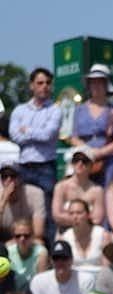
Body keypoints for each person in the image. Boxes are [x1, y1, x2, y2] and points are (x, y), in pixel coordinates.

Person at [9, 67, 61, 244]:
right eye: (40, 83)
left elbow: (49, 135)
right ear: (31, 86)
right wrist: (37, 132)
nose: (44, 86)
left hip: (46, 166)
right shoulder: (20, 110)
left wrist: (27, 131)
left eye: (47, 83)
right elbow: (14, 135)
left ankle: (50, 252)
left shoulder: (56, 110)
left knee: (47, 212)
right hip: (24, 167)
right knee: (23, 211)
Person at [68, 64, 113, 186]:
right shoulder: (79, 110)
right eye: (93, 82)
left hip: (108, 162)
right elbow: (73, 137)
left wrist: (100, 152)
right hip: (83, 161)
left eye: (100, 82)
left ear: (106, 85)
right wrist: (87, 151)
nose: (96, 86)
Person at [51, 147, 105, 229]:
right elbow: (57, 215)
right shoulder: (61, 187)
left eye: (84, 161)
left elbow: (98, 218)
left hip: (90, 231)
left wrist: (73, 219)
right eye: (76, 160)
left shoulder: (97, 190)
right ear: (72, 164)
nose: (80, 164)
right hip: (65, 230)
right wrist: (82, 219)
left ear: (91, 166)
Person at [59, 199, 108, 278]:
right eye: (71, 213)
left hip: (99, 281)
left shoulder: (103, 235)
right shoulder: (64, 239)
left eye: (79, 213)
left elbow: (107, 268)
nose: (75, 217)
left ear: (88, 215)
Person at [0, 160, 45, 242]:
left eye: (13, 176)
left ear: (20, 178)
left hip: (27, 238)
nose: (9, 180)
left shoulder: (35, 193)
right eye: (4, 176)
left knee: (39, 242)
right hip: (4, 241)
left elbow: (38, 232)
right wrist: (3, 202)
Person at [4, 218, 48, 288]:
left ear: (33, 236)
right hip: (12, 293)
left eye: (26, 236)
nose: (22, 239)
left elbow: (42, 282)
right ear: (13, 238)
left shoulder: (41, 253)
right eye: (18, 236)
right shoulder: (8, 252)